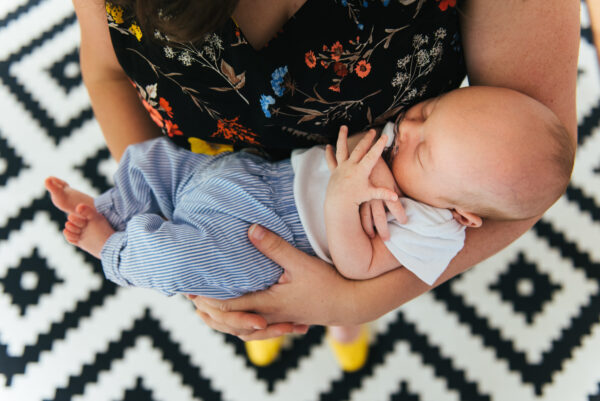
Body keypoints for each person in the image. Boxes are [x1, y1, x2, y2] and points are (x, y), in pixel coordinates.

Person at [71, 0, 579, 368]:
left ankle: (340, 329)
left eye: (421, 143)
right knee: (240, 305)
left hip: (299, 241)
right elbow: (107, 71)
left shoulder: (429, 217)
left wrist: (351, 304)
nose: (408, 129)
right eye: (424, 114)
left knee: (281, 297)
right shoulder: (401, 152)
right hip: (213, 181)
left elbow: (360, 269)